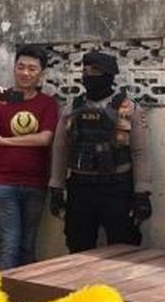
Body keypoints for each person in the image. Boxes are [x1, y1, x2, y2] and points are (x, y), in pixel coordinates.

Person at [49, 52, 152, 253]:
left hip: (117, 186)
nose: (88, 75)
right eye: (85, 70)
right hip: (80, 187)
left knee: (123, 247)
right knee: (78, 247)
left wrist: (142, 192)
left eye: (95, 71)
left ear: (109, 75)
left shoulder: (128, 108)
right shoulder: (72, 108)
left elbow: (140, 152)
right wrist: (56, 187)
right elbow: (60, 148)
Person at [0, 46, 59, 270]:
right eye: (20, 67)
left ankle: (25, 294)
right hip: (3, 181)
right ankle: (6, 297)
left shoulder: (48, 103)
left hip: (36, 182)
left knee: (28, 243)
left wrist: (5, 142)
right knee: (10, 242)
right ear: (14, 69)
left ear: (41, 73)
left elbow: (45, 139)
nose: (25, 73)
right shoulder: (1, 99)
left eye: (32, 68)